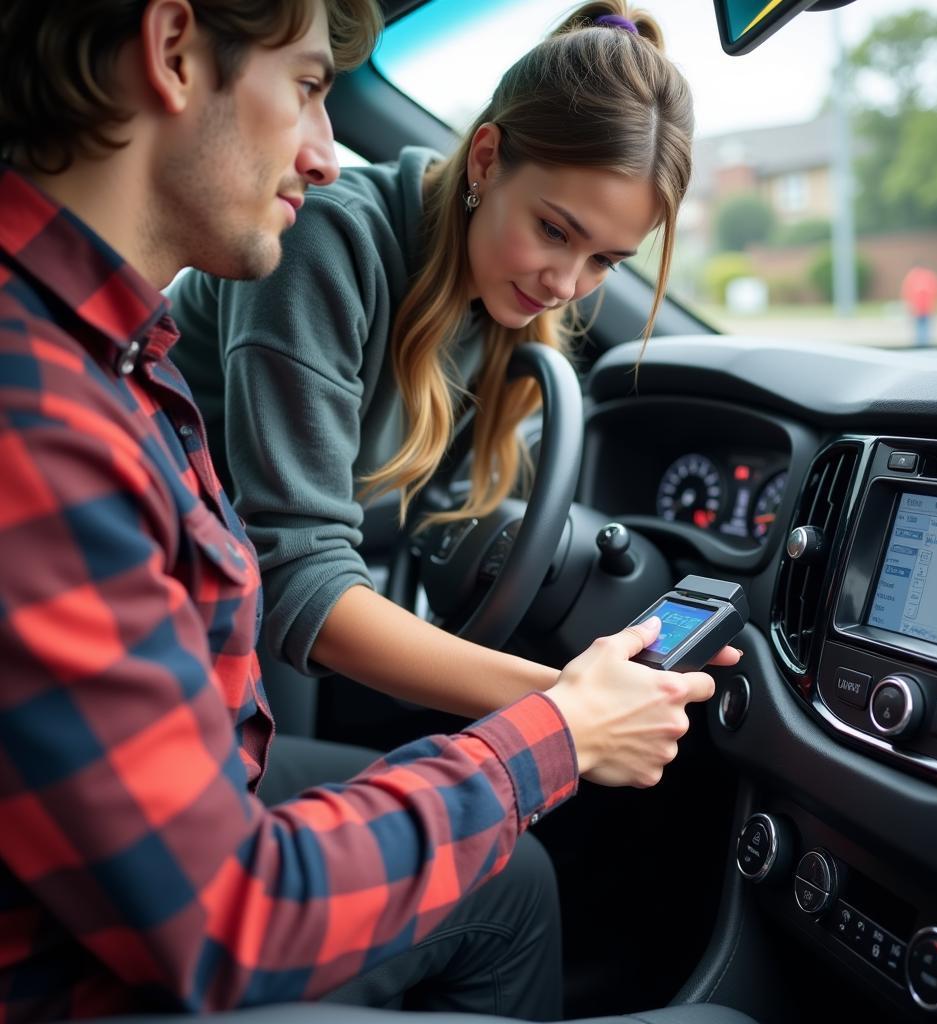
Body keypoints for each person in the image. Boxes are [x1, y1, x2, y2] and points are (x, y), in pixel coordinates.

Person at [0, 2, 737, 1022]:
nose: (320, 153)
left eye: (604, 262)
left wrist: (575, 708)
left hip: (209, 739)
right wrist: (562, 717)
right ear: (172, 51)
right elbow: (226, 913)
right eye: (308, 87)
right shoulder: (42, 411)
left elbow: (410, 528)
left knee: (514, 880)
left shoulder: (109, 353)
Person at [167, 0, 700, 727]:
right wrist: (570, 705)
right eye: (553, 230)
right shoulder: (324, 240)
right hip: (169, 618)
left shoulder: (495, 302)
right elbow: (300, 576)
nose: (565, 286)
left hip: (243, 625)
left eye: (604, 261)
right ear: (486, 158)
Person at [900, 265, 937, 347]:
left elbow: (906, 292)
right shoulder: (929, 276)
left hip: (921, 309)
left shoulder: (912, 277)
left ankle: (922, 346)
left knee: (921, 331)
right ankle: (923, 345)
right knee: (923, 331)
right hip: (922, 309)